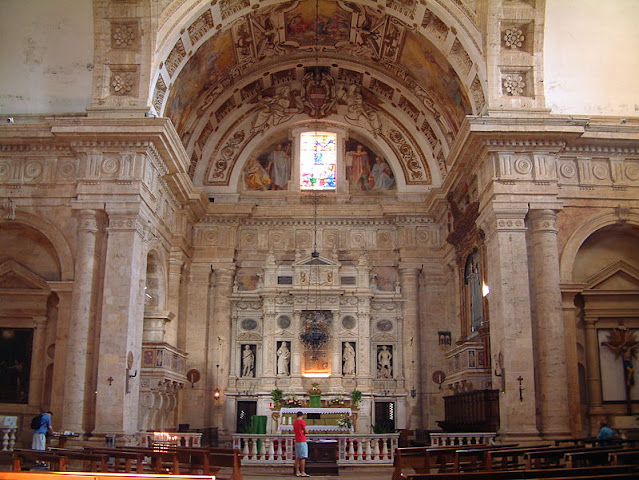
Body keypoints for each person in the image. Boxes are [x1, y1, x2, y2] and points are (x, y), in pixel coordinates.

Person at [293, 411, 310, 477]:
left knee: (297, 457)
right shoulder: (302, 421)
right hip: (302, 440)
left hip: (297, 440)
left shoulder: (295, 422)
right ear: (302, 416)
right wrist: (305, 432)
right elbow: (306, 431)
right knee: (303, 457)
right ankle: (303, 472)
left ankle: (297, 472)